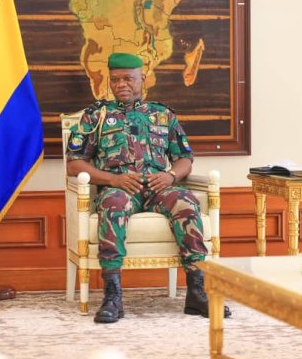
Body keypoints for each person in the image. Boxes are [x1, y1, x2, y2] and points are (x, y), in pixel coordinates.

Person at [65, 52, 231, 323]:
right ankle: (112, 297)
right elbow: (74, 164)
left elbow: (185, 159)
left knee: (186, 202)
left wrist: (171, 177)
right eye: (115, 79)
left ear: (143, 78)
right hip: (119, 187)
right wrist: (113, 180)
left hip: (159, 187)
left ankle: (197, 292)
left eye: (128, 79)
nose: (121, 84)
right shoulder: (95, 116)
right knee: (112, 205)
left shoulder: (163, 115)